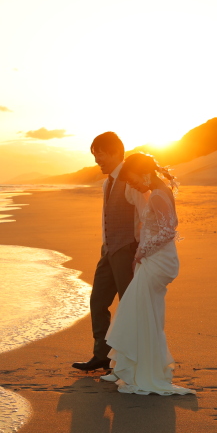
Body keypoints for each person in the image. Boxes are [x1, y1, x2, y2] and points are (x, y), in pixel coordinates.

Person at [99, 152, 194, 395]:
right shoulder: (158, 192)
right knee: (141, 313)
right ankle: (126, 367)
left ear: (144, 172)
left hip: (157, 262)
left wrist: (140, 254)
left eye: (133, 180)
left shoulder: (160, 195)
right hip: (153, 259)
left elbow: (167, 231)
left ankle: (139, 370)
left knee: (140, 314)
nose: (133, 185)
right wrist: (141, 252)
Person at [72, 133, 148, 372]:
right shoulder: (108, 182)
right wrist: (106, 246)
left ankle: (132, 358)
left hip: (127, 251)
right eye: (95, 155)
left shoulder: (132, 180)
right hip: (109, 251)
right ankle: (101, 355)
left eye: (100, 154)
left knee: (128, 306)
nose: (97, 160)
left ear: (115, 152)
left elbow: (146, 217)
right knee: (98, 301)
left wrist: (139, 250)